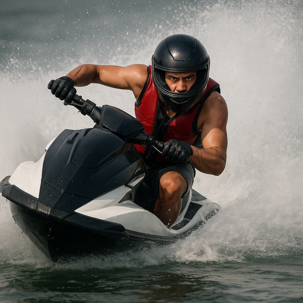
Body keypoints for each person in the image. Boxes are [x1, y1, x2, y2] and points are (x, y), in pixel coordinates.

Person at [48, 34, 228, 227]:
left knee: (172, 185)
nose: (181, 87)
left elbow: (217, 163)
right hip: (134, 152)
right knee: (95, 143)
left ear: (200, 75)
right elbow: (95, 72)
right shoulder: (142, 78)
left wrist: (189, 150)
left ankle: (155, 239)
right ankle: (60, 195)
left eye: (188, 78)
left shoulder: (213, 105)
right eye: (173, 78)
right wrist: (68, 80)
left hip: (173, 164)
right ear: (161, 75)